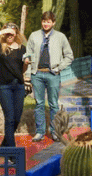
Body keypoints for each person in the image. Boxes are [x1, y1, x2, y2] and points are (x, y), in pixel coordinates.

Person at [26, 11, 73, 143]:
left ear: (53, 23)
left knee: (53, 104)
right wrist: (28, 75)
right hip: (37, 74)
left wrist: (58, 68)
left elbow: (69, 56)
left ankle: (55, 132)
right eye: (44, 21)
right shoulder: (34, 35)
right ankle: (40, 132)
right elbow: (28, 56)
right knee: (39, 104)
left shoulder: (60, 37)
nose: (46, 24)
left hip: (53, 74)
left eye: (48, 21)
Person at [0, 22, 31, 148]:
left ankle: (4, 145)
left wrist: (26, 64)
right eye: (7, 32)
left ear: (16, 34)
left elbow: (22, 70)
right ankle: (12, 152)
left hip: (19, 86)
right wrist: (3, 31)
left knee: (16, 119)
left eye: (12, 33)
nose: (10, 35)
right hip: (4, 87)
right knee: (9, 118)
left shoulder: (22, 48)